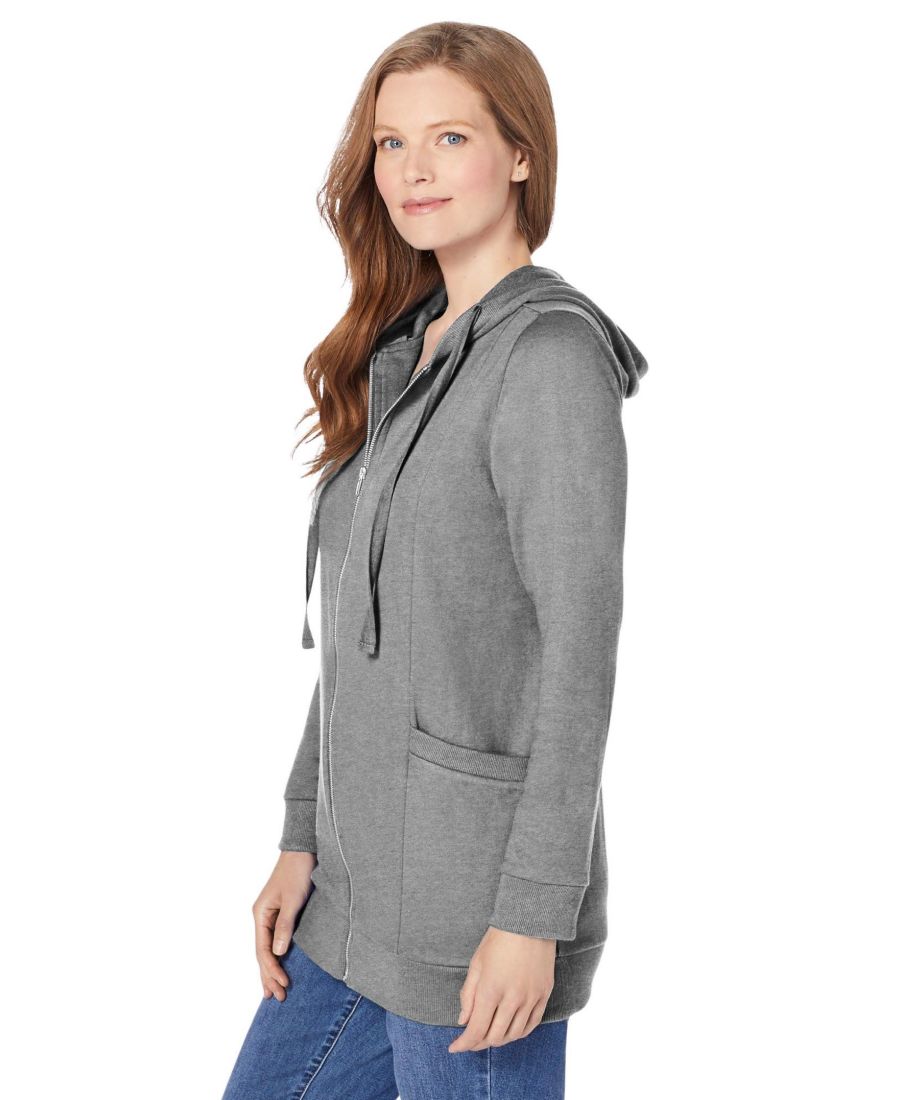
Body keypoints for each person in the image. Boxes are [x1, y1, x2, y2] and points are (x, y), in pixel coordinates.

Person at [222, 20, 648, 1100]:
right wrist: (302, 833)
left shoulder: (548, 358)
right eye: (391, 143)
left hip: (474, 916)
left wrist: (531, 914)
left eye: (450, 137)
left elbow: (579, 652)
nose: (413, 170)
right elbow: (360, 637)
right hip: (352, 898)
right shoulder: (407, 350)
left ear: (521, 154)